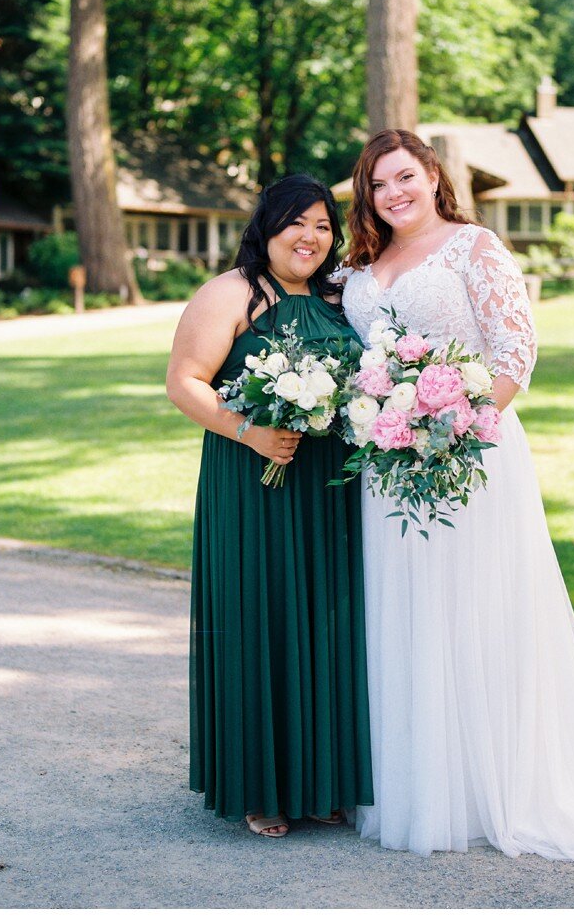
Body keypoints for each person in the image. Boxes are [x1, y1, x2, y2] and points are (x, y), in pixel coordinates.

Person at [337, 129, 574, 871]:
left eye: (404, 177)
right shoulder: (362, 264)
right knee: (403, 611)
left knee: (475, 607)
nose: (393, 194)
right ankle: (415, 778)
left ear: (432, 174)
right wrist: (392, 425)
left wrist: (455, 430)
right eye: (379, 185)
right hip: (386, 463)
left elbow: (515, 352)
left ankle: (493, 785)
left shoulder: (473, 247)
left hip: (470, 456)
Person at [165, 174, 372, 838]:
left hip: (328, 489)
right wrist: (249, 431)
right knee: (263, 615)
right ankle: (260, 785)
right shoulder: (230, 292)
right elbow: (184, 382)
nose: (311, 237)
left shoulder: (338, 297)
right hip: (252, 480)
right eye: (297, 222)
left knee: (326, 622)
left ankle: (321, 782)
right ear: (268, 226)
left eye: (322, 225)